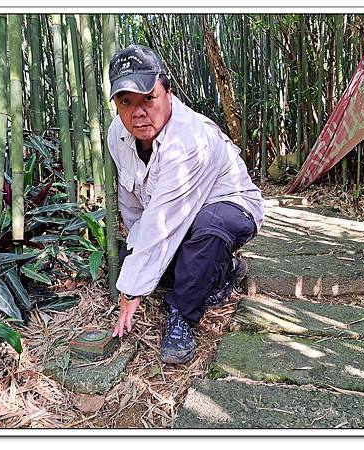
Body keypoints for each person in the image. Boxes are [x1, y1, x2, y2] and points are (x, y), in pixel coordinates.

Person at [107, 44, 264, 364]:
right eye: (126, 102)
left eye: (148, 98)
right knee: (136, 260)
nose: (138, 112)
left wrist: (131, 289)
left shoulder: (189, 138)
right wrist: (135, 259)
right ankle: (223, 271)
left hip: (228, 204)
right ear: (117, 106)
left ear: (167, 91)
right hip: (176, 216)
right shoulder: (117, 135)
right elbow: (134, 208)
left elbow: (164, 220)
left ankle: (182, 317)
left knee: (208, 230)